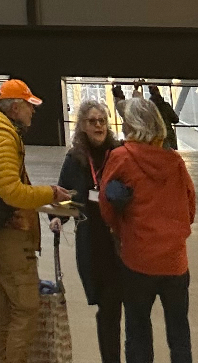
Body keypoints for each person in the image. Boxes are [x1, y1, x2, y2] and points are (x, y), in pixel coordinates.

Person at [0, 78, 72, 363]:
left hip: (4, 236)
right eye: (30, 106)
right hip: (11, 238)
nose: (33, 112)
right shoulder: (3, 138)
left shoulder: (1, 133)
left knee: (8, 311)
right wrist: (50, 193)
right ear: (16, 108)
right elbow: (11, 193)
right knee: (26, 309)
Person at [99, 96, 196, 363]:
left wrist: (121, 230)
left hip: (138, 258)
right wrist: (176, 233)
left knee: (138, 330)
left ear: (130, 124)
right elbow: (190, 204)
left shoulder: (121, 157)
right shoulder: (174, 160)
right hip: (175, 261)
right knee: (179, 332)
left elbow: (106, 206)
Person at [58, 97, 124, 363]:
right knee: (106, 308)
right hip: (92, 243)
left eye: (102, 121)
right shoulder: (75, 159)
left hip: (120, 241)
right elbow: (65, 195)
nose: (99, 125)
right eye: (92, 121)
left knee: (114, 306)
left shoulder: (119, 153)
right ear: (82, 126)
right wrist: (58, 218)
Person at [147, 86, 179, 151]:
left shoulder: (148, 108)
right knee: (172, 155)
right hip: (168, 133)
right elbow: (176, 119)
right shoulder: (166, 106)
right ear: (158, 92)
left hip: (155, 136)